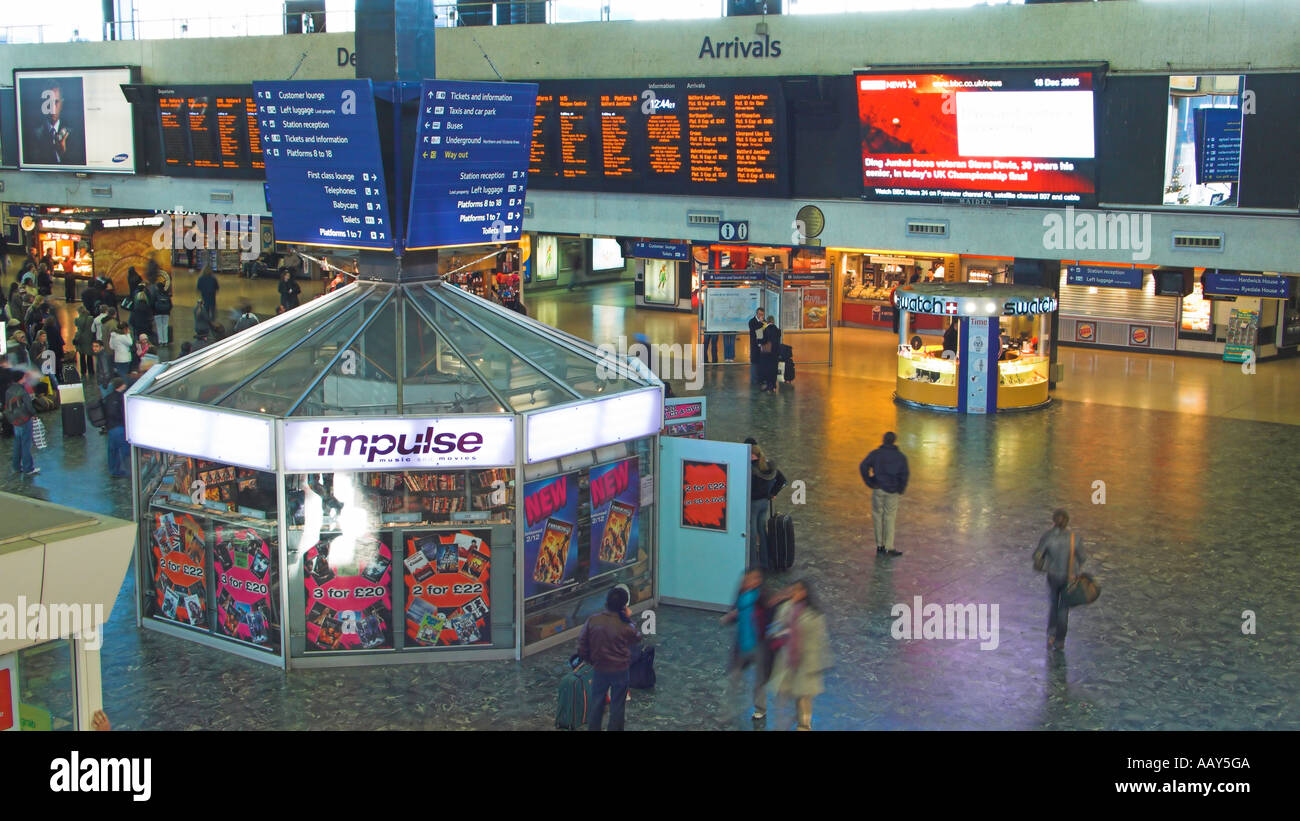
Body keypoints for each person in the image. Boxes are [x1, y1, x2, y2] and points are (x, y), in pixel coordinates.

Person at [768, 580, 832, 731]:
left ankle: (804, 725)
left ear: (805, 593)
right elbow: (777, 627)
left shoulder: (814, 615)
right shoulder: (786, 608)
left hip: (807, 663)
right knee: (787, 695)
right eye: (792, 590)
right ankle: (790, 722)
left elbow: (821, 641)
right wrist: (777, 634)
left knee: (804, 697)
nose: (793, 593)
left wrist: (820, 664)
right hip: (787, 660)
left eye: (796, 590)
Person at [576, 586, 642, 731]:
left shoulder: (593, 620)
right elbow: (637, 637)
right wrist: (629, 619)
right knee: (617, 705)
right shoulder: (625, 625)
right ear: (624, 606)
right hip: (620, 670)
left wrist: (591, 660)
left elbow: (582, 645)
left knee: (596, 702)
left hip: (600, 668)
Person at [720, 568, 779, 721]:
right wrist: (730, 617)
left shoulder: (763, 597)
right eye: (747, 579)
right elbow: (735, 611)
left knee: (759, 679)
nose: (749, 582)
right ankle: (728, 709)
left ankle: (760, 708)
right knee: (733, 676)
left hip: (759, 645)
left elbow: (771, 615)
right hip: (742, 644)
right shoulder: (741, 594)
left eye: (754, 579)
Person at [1035, 509, 1086, 651]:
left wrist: (1044, 565)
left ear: (1054, 521)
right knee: (1063, 608)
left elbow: (1038, 556)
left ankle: (1051, 634)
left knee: (1053, 603)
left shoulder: (1048, 537)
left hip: (1053, 575)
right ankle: (1059, 641)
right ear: (1067, 521)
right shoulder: (1074, 538)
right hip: (1068, 577)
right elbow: (1082, 557)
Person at [859, 431, 909, 557]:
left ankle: (879, 545)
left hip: (878, 489)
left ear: (883, 440)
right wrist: (900, 488)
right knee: (890, 517)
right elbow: (904, 475)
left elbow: (863, 466)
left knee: (877, 516)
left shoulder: (876, 454)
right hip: (892, 491)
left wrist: (870, 481)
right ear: (894, 441)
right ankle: (889, 547)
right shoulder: (900, 457)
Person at [745, 437, 779, 569]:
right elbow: (782, 480)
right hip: (764, 503)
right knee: (762, 531)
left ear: (751, 454)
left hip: (753, 504)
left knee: (752, 534)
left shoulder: (750, 468)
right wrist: (773, 493)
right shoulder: (768, 465)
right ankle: (765, 561)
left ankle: (753, 564)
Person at [5, 369, 40, 476]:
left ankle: (16, 467)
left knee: (17, 443)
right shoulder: (23, 390)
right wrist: (34, 414)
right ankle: (28, 468)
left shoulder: (9, 390)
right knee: (26, 444)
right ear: (21, 378)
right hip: (24, 419)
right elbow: (29, 406)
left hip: (14, 420)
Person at [104, 377, 129, 478]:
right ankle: (127, 471)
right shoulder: (121, 397)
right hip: (119, 427)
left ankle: (114, 470)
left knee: (112, 450)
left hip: (110, 427)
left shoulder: (108, 397)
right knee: (124, 450)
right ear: (121, 386)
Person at [756, 315, 782, 392]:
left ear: (767, 321)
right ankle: (774, 386)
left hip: (767, 353)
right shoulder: (778, 330)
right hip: (775, 353)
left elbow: (760, 341)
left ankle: (769, 386)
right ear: (773, 321)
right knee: (774, 369)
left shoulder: (765, 329)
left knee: (767, 369)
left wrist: (759, 328)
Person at [148, 271, 172, 345]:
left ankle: (161, 341)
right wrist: (168, 310)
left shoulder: (155, 294)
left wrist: (153, 311)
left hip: (157, 313)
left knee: (159, 327)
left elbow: (152, 303)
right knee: (165, 326)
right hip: (166, 313)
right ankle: (166, 341)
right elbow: (171, 304)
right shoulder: (166, 294)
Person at [72, 304, 95, 380]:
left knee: (82, 356)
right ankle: (91, 370)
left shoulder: (77, 320)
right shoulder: (91, 319)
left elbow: (78, 329)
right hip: (89, 339)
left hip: (81, 339)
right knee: (89, 355)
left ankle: (83, 371)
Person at [747, 307, 766, 384]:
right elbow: (756, 332)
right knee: (754, 363)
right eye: (760, 314)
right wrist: (761, 324)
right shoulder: (752, 321)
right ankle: (754, 380)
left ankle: (761, 378)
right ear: (756, 313)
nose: (761, 316)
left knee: (762, 362)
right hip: (755, 345)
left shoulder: (764, 322)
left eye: (762, 314)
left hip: (762, 345)